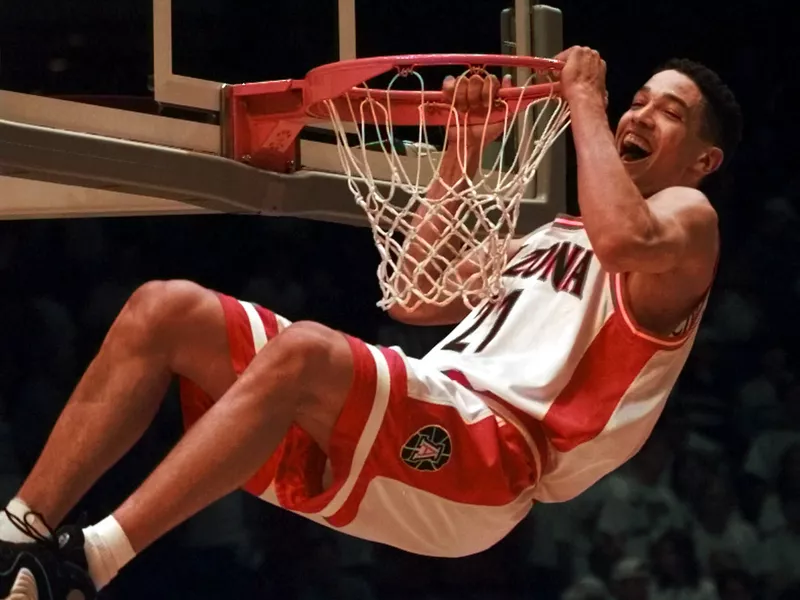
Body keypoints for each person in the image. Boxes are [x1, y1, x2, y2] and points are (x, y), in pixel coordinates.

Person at [0, 47, 741, 600]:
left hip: (498, 457)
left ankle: (87, 563)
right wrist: (461, 150)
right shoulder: (548, 237)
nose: (638, 113)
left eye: (667, 112)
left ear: (704, 159)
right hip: (429, 412)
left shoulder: (688, 220)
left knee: (309, 351)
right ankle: (18, 537)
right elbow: (416, 297)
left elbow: (622, 239)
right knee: (164, 308)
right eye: (637, 99)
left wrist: (584, 100)